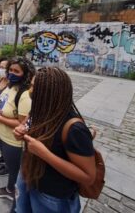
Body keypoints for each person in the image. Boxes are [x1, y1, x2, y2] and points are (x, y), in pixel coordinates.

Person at [14, 67, 96, 213]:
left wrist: (45, 154)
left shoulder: (74, 128)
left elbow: (88, 176)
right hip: (27, 178)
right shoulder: (39, 110)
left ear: (48, 93)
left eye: (34, 87)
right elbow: (24, 126)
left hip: (52, 195)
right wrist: (19, 131)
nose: (29, 90)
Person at [0, 57, 35, 201]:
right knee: (9, 164)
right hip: (2, 135)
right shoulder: (10, 86)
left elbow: (22, 124)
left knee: (14, 169)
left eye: (16, 71)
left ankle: (10, 191)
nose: (12, 73)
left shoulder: (24, 95)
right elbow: (2, 103)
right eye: (11, 70)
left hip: (13, 141)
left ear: (25, 74)